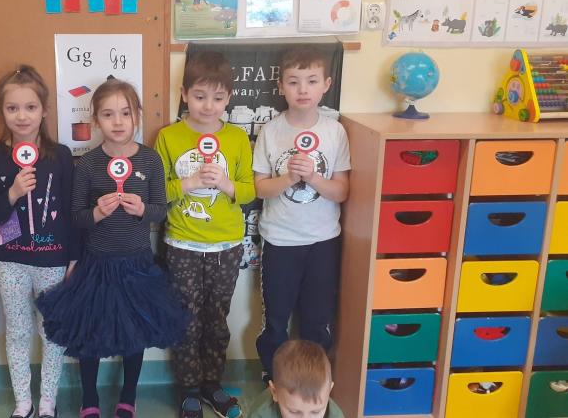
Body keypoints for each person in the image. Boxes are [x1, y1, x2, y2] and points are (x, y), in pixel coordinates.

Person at [37, 79, 187, 418]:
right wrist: (97, 213)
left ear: (137, 116)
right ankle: (89, 398)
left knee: (135, 333)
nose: (118, 122)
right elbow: (76, 216)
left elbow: (160, 210)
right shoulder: (88, 164)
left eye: (125, 113)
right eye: (108, 114)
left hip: (137, 264)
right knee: (90, 332)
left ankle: (128, 397)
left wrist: (142, 209)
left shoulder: (150, 160)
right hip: (96, 264)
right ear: (95, 120)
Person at [155, 51, 255, 418]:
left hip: (226, 245)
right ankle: (189, 390)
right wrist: (189, 182)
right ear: (184, 94)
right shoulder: (168, 137)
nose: (208, 106)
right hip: (182, 244)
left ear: (229, 98)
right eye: (199, 96)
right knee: (187, 319)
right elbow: (156, 191)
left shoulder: (237, 138)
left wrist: (226, 184)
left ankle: (212, 383)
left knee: (217, 318)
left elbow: (250, 191)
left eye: (217, 97)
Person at [0, 66, 79, 418]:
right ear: (2, 111)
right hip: (12, 263)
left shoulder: (60, 156)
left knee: (51, 333)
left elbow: (72, 210)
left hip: (53, 262)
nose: (22, 116)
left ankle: (48, 401)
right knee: (18, 332)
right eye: (13, 108)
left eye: (30, 107)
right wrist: (13, 192)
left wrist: (74, 258)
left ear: (44, 110)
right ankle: (24, 402)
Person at [253, 45, 350, 385]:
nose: (303, 89)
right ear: (281, 87)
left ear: (326, 84)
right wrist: (289, 177)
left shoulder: (335, 132)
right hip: (280, 240)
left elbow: (342, 191)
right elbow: (260, 189)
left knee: (317, 319)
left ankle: (314, 384)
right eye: (294, 82)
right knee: (276, 320)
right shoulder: (271, 131)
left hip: (323, 241)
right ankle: (273, 379)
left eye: (311, 81)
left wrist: (314, 177)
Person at [246, 340, 344, 418]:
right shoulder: (259, 414)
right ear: (274, 392)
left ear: (329, 391)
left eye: (316, 412)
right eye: (294, 412)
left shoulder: (335, 415)